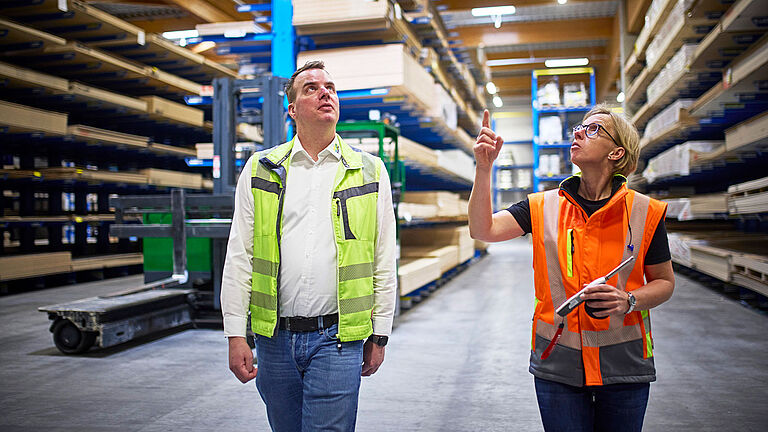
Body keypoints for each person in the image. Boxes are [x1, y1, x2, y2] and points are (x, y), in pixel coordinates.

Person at [468, 105, 675, 431]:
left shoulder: (645, 211)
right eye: (580, 127)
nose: (578, 132)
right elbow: (483, 230)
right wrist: (483, 169)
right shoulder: (542, 205)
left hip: (624, 364)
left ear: (616, 152)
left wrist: (628, 300)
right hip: (558, 362)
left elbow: (664, 282)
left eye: (593, 129)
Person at [220, 60, 397, 432]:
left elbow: (383, 258)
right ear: (292, 109)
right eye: (311, 88)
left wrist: (380, 332)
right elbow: (240, 256)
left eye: (330, 87)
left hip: (337, 339)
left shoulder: (370, 170)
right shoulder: (261, 169)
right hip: (274, 340)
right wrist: (236, 334)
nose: (324, 93)